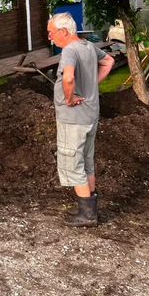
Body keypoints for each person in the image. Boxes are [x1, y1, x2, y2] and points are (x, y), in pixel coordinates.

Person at [47, 13, 115, 226]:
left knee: (73, 162)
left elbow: (68, 77)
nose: (50, 38)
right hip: (90, 115)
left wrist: (70, 97)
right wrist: (92, 85)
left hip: (74, 118)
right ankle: (91, 208)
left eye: (51, 33)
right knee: (86, 162)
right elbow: (109, 61)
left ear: (63, 31)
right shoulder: (87, 46)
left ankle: (87, 215)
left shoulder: (69, 50)